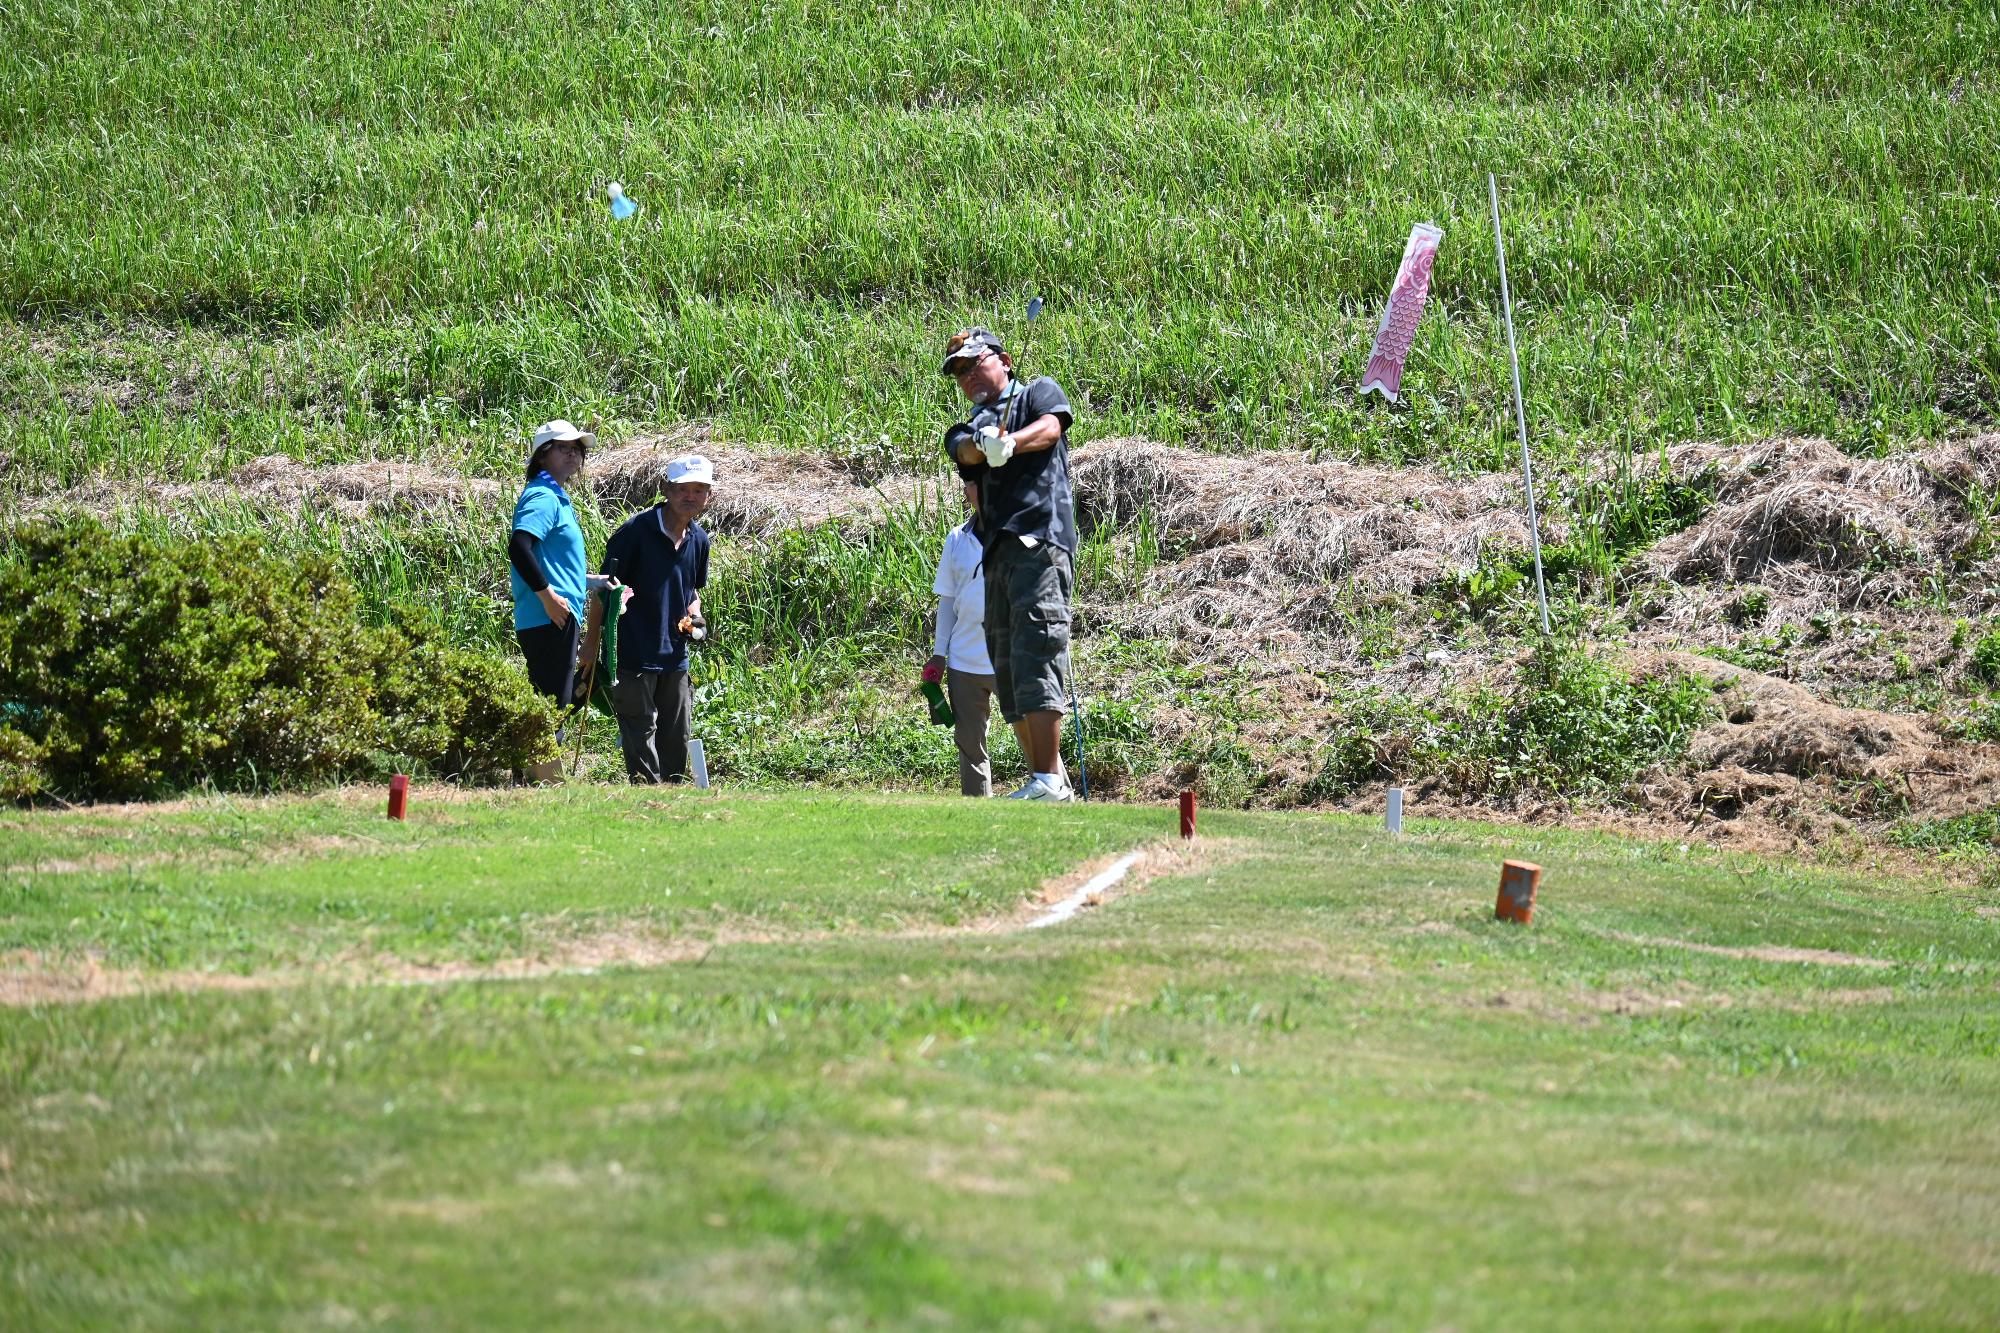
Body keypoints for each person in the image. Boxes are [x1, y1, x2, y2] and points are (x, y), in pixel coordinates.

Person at [939, 326, 1078, 802]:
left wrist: (1012, 442)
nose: (968, 376)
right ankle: (1048, 780)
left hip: (1039, 541)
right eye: (960, 372)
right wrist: (985, 443)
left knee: (1037, 650)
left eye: (975, 363)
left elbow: (1052, 428)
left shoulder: (1038, 391)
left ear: (1004, 360)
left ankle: (1048, 779)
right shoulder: (967, 426)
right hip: (995, 555)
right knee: (1010, 668)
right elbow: (963, 450)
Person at [601, 454, 713, 782]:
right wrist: (594, 645)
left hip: (675, 654)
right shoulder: (635, 531)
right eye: (682, 489)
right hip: (635, 651)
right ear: (666, 489)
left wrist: (695, 618)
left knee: (676, 731)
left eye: (698, 490)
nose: (690, 496)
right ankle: (646, 794)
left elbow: (691, 591)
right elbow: (605, 588)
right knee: (639, 728)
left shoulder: (699, 540)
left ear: (708, 495)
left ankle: (673, 794)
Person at [508, 419, 601, 782]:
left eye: (577, 450)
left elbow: (550, 561)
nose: (573, 455)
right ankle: (540, 781)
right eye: (564, 448)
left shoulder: (555, 496)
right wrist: (548, 597)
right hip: (551, 615)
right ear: (542, 455)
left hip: (556, 613)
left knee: (553, 699)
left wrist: (590, 582)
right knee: (552, 704)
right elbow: (520, 548)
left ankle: (531, 777)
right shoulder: (543, 496)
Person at [926, 481, 999, 797]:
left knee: (1034, 737)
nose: (969, 490)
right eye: (968, 484)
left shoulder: (1020, 535)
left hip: (1011, 659)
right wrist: (939, 654)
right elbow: (948, 600)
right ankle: (978, 813)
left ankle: (1054, 799)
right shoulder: (956, 539)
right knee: (970, 747)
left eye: (975, 482)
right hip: (964, 661)